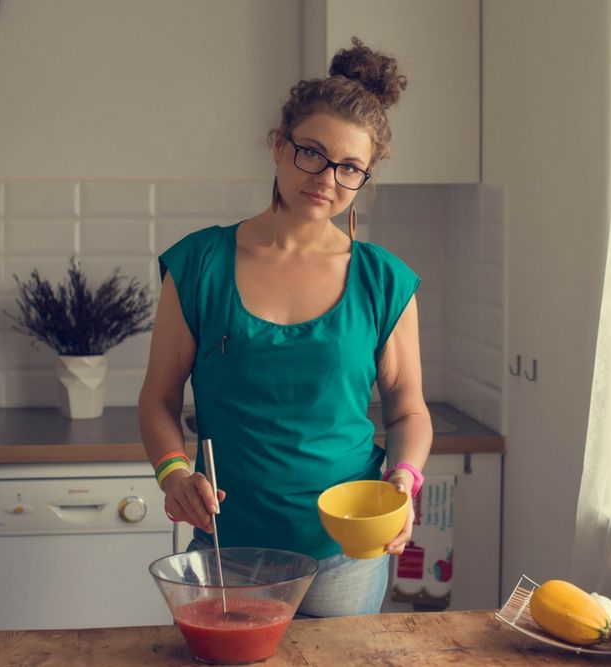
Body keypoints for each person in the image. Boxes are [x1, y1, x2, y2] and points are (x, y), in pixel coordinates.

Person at [138, 37, 433, 618]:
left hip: (347, 554)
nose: (327, 177)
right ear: (279, 147)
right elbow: (158, 398)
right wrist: (173, 474)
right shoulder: (200, 264)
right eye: (311, 153)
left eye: (350, 167)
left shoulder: (384, 280)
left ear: (364, 177)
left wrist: (403, 480)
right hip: (230, 548)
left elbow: (407, 410)